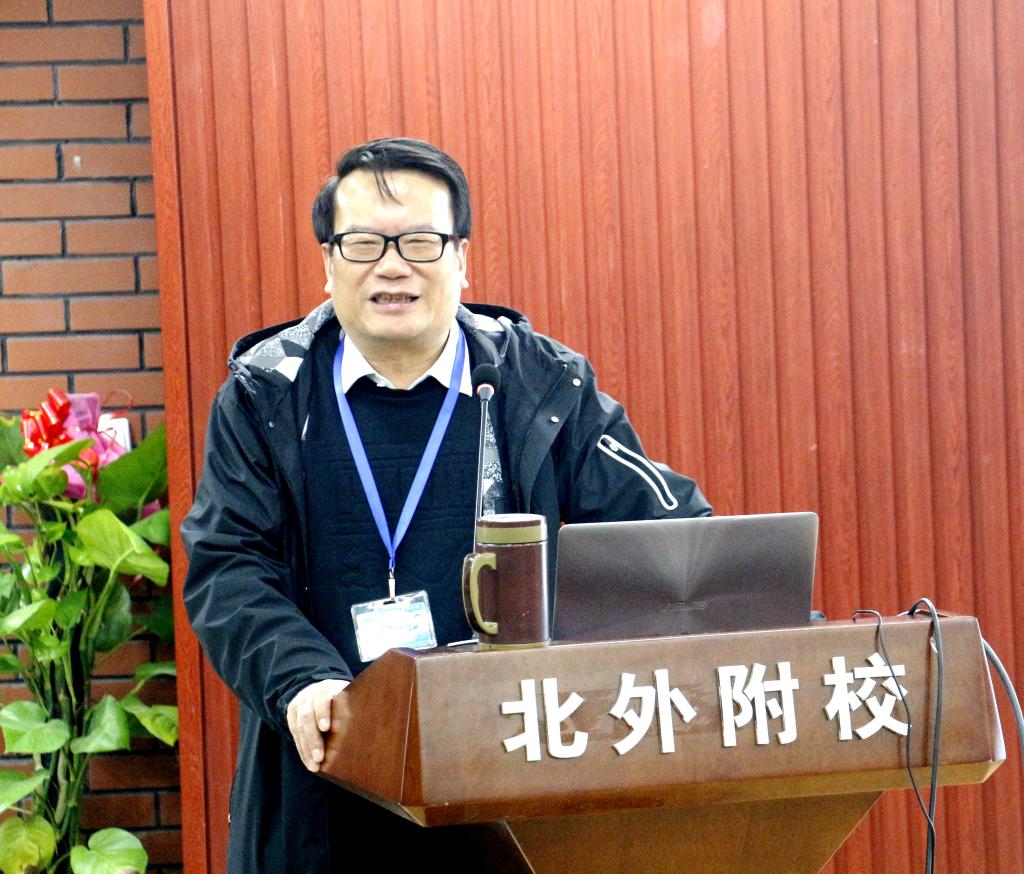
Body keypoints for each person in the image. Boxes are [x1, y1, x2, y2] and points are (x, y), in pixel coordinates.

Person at [182, 137, 711, 872]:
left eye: (420, 242)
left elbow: (668, 532)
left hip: (512, 782)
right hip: (324, 785)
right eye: (363, 243)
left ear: (462, 256)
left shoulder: (540, 385)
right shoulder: (267, 394)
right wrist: (301, 678)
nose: (392, 266)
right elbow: (228, 567)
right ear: (328, 261)